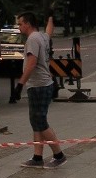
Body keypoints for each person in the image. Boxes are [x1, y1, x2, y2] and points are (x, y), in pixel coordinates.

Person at [17, 10, 66, 168]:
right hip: (41, 85)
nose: (19, 27)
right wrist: (50, 18)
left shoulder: (32, 39)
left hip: (39, 86)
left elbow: (31, 64)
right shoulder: (42, 36)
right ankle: (37, 157)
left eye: (20, 24)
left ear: (28, 24)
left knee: (40, 121)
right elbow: (49, 31)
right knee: (36, 122)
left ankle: (59, 155)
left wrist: (19, 85)